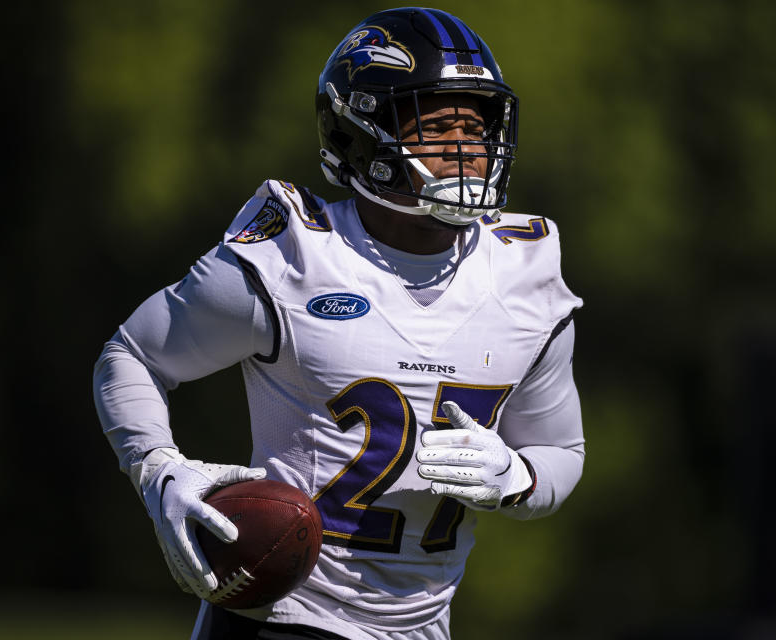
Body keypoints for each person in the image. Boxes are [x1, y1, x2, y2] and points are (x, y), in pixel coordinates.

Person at [93, 8, 584, 640]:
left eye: (476, 126)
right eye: (438, 127)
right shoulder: (293, 256)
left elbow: (560, 450)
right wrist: (160, 469)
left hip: (424, 626)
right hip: (286, 616)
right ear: (364, 135)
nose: (467, 149)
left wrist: (519, 478)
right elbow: (133, 355)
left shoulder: (526, 275)